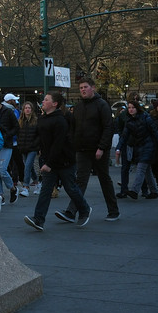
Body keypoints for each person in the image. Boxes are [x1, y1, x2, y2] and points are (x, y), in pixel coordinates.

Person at [23, 91, 91, 230]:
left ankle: (84, 209)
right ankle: (38, 219)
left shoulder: (60, 120)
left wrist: (49, 164)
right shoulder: (42, 119)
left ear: (54, 104)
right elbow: (41, 138)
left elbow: (58, 144)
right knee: (46, 190)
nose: (43, 101)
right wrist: (38, 149)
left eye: (46, 99)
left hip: (64, 161)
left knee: (70, 188)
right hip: (50, 160)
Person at [58, 77, 118, 223]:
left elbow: (108, 127)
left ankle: (113, 210)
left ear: (93, 88)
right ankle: (71, 211)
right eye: (81, 88)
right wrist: (72, 145)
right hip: (82, 149)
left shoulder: (102, 105)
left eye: (85, 87)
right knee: (80, 181)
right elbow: (73, 128)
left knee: (104, 180)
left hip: (98, 149)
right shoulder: (78, 107)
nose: (83, 90)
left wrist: (102, 147)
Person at [116, 99, 158, 200]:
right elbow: (124, 136)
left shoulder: (146, 118)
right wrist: (118, 147)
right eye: (129, 108)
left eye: (133, 108)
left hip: (148, 146)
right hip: (140, 147)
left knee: (141, 168)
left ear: (137, 108)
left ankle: (135, 191)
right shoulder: (130, 120)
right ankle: (154, 191)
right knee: (147, 170)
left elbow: (155, 132)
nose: (131, 110)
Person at [0, 91, 20, 201]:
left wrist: (7, 135)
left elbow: (16, 127)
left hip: (6, 144)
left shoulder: (8, 111)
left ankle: (12, 188)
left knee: (1, 170)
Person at [17, 100, 41, 194]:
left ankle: (26, 186)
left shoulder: (36, 121)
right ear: (23, 110)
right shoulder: (20, 121)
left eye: (29, 108)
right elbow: (18, 134)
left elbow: (39, 135)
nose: (27, 110)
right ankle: (37, 182)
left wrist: (36, 145)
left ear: (32, 110)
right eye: (26, 108)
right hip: (23, 147)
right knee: (29, 167)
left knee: (27, 166)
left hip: (32, 147)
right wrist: (19, 144)